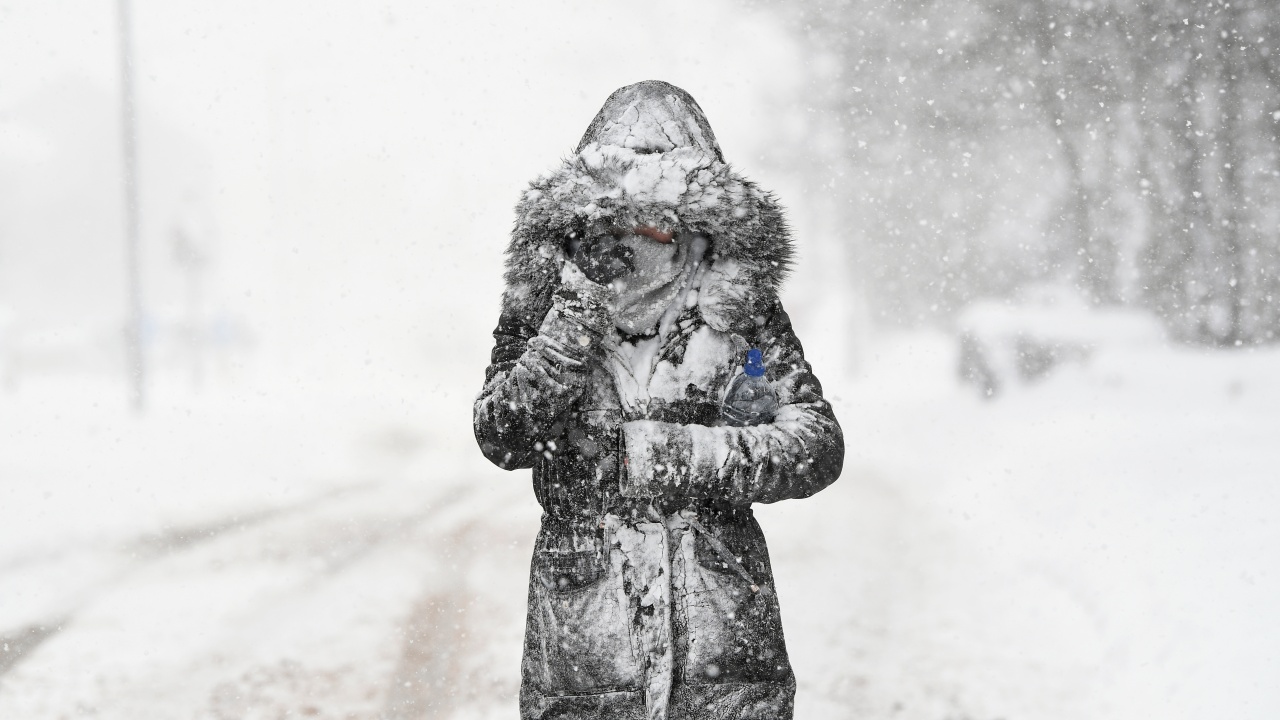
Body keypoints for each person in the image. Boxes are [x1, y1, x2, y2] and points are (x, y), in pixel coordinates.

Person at [473, 80, 844, 720]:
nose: (646, 232)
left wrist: (672, 456)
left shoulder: (735, 309)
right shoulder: (547, 303)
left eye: (663, 210)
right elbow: (502, 432)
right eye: (625, 211)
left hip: (724, 662)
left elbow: (813, 444)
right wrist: (574, 315)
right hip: (587, 663)